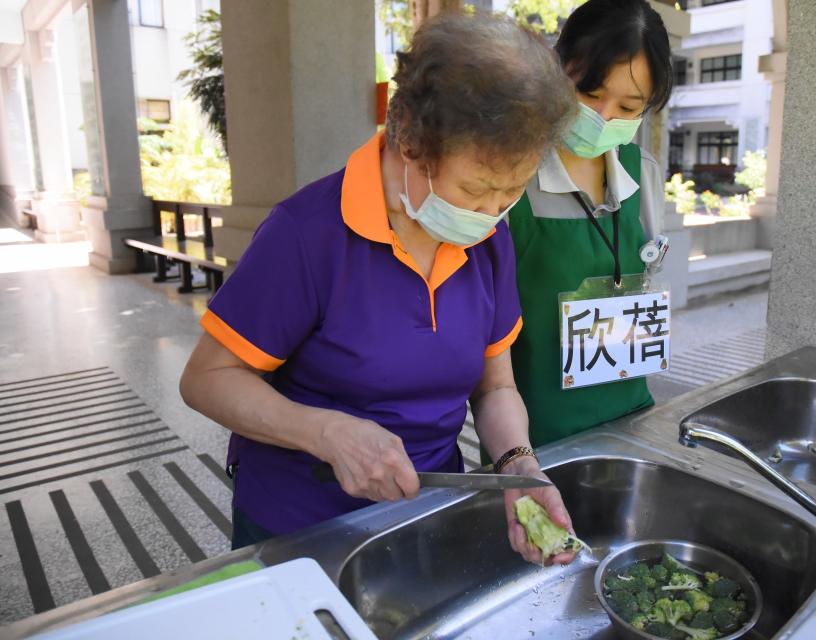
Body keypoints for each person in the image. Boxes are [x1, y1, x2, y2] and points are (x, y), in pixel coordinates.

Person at [179, 13, 578, 565]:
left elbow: (495, 387)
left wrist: (518, 466)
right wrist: (326, 432)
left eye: (510, 191)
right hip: (299, 527)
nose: (492, 212)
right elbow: (206, 380)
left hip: (426, 510)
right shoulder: (308, 233)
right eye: (476, 188)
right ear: (411, 141)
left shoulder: (489, 240)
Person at [509, 0, 675, 448]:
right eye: (590, 93)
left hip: (633, 421)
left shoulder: (643, 171)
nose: (604, 117)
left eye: (628, 105)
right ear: (558, 69)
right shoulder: (511, 175)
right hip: (536, 437)